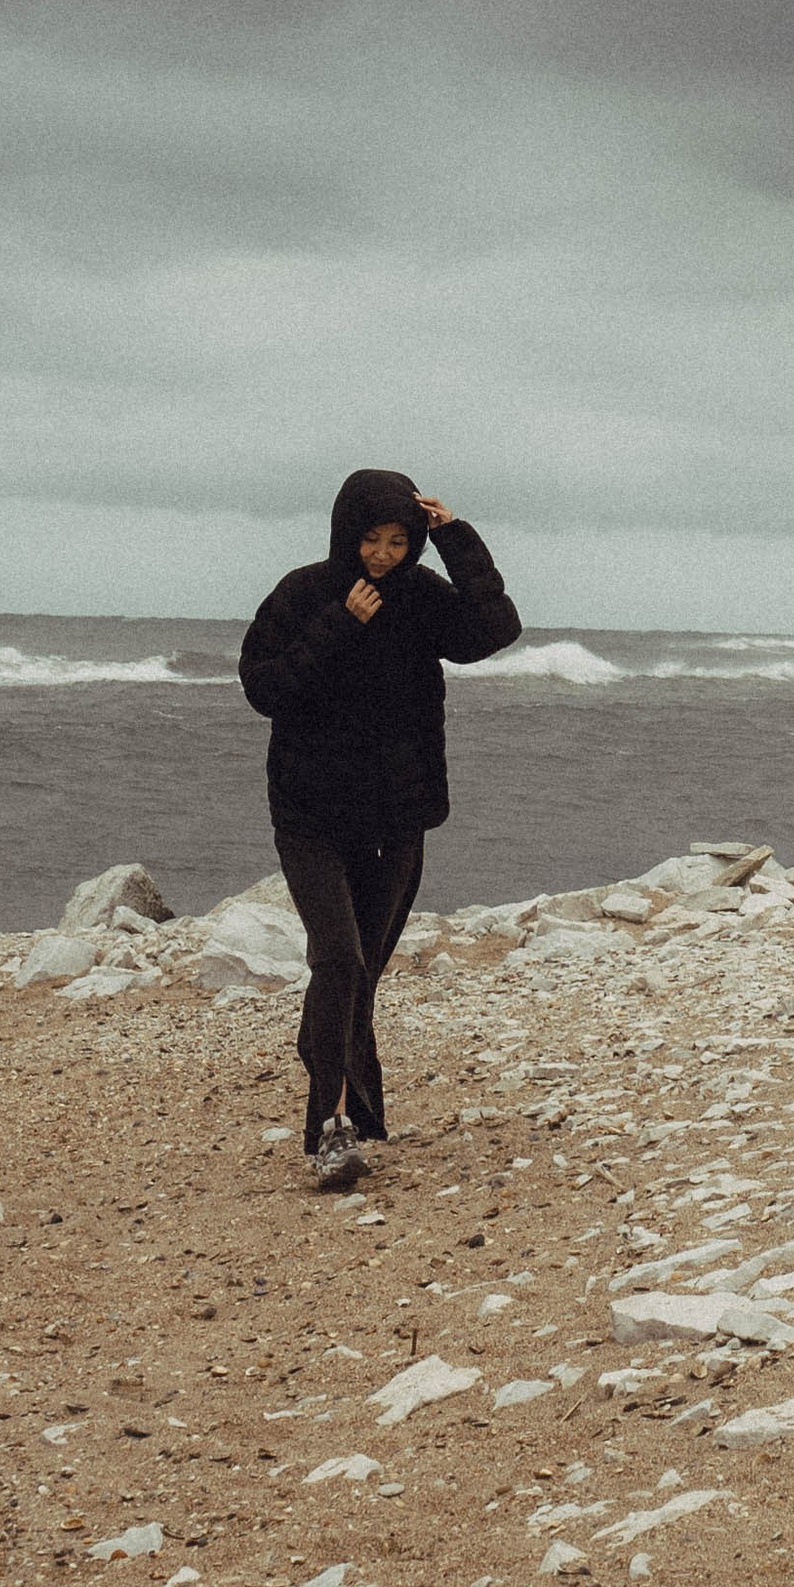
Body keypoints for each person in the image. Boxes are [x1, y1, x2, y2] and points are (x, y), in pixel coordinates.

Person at [237, 466, 522, 1190]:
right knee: (339, 960)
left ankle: (323, 1052)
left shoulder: (424, 599)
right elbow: (263, 689)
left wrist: (457, 538)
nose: (385, 555)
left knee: (360, 978)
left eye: (401, 541)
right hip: (309, 816)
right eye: (372, 539)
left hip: (397, 820)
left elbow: (494, 630)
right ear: (346, 532)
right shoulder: (303, 593)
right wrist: (340, 624)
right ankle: (330, 1131)